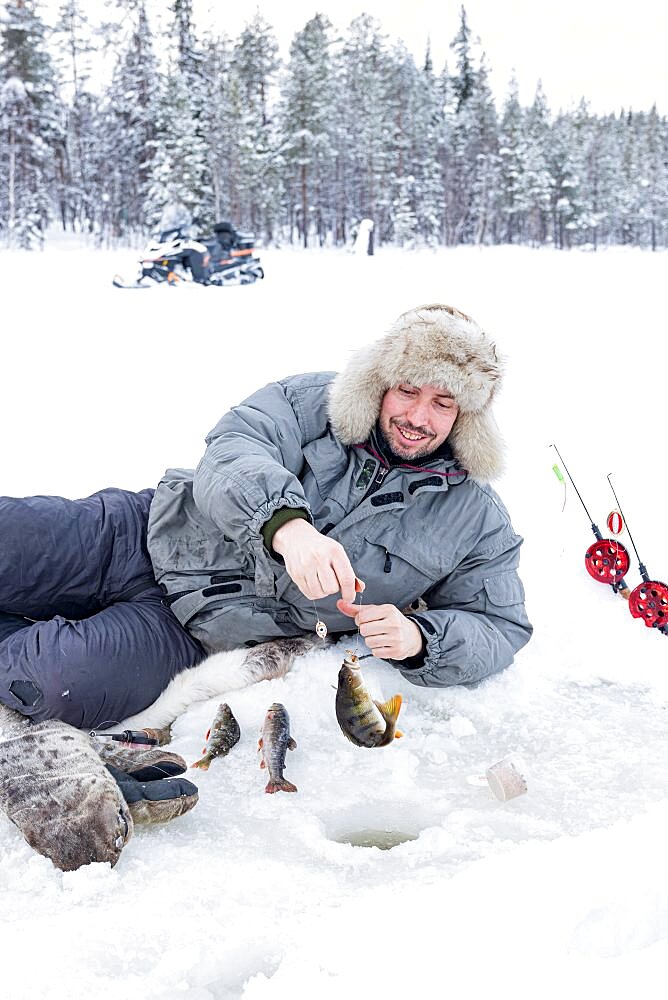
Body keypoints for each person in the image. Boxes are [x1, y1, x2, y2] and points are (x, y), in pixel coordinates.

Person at [0, 303, 531, 870]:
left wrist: (422, 637)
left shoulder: (477, 520)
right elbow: (233, 448)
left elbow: (500, 625)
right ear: (379, 381)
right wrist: (288, 526)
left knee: (49, 683)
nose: (419, 416)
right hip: (141, 530)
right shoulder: (310, 401)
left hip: (191, 626)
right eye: (407, 391)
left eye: (443, 403)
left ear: (467, 415)